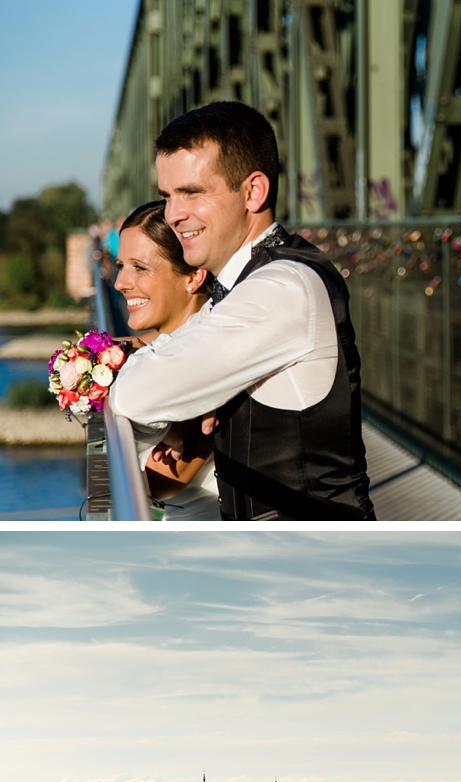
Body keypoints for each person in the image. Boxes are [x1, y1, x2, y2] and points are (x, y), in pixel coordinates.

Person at [109, 101, 375, 520]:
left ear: (253, 191)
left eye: (192, 192)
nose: (174, 214)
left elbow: (134, 394)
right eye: (167, 196)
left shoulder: (282, 287)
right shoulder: (240, 284)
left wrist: (194, 392)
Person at [113, 201, 221, 519]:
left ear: (194, 277)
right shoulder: (180, 339)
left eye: (140, 268)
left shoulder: (205, 362)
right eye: (121, 266)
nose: (120, 282)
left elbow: (163, 481)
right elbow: (160, 343)